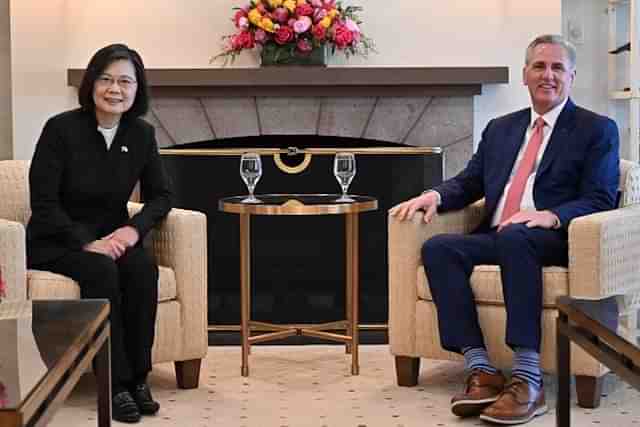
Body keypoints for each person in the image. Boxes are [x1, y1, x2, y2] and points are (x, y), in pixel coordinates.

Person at [389, 34, 619, 425]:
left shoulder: (596, 129)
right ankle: (483, 370)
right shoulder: (501, 128)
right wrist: (435, 195)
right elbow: (469, 181)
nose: (548, 75)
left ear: (572, 76)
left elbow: (599, 197)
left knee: (516, 236)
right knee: (440, 248)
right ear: (525, 76)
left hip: (553, 237)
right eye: (539, 66)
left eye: (557, 67)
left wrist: (550, 215)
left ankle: (529, 380)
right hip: (501, 236)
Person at [27, 44, 172, 424]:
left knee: (142, 270)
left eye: (125, 81)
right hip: (56, 240)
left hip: (112, 238)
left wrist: (132, 230)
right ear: (91, 84)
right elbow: (42, 202)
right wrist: (84, 241)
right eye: (106, 79)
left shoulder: (141, 134)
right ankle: (115, 385)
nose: (115, 89)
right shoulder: (60, 129)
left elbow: (161, 196)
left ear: (137, 89)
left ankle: (140, 378)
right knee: (102, 272)